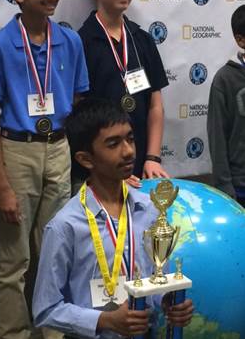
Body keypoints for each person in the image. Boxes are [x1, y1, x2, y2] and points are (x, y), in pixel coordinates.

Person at [33, 98, 193, 339]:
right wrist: (104, 320)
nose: (128, 151)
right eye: (113, 144)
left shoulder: (149, 210)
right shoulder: (65, 226)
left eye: (129, 138)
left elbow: (157, 281)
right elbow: (45, 309)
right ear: (86, 159)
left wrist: (169, 302)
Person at [0, 0, 88, 338]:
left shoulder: (70, 41)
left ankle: (54, 330)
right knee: (15, 258)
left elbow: (75, 97)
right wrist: (3, 185)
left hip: (58, 146)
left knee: (55, 250)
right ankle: (12, 332)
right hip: (16, 148)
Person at [77, 0, 169, 182]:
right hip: (102, 171)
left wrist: (152, 158)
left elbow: (155, 105)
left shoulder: (142, 40)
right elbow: (79, 114)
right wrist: (105, 169)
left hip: (143, 164)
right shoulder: (81, 43)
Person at [207, 5, 245, 208]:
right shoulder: (225, 80)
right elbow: (217, 138)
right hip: (239, 189)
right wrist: (226, 189)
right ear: (240, 40)